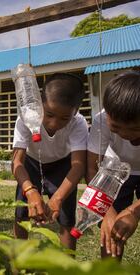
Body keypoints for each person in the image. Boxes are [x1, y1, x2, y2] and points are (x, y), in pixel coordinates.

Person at [12, 73, 88, 250]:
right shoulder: (25, 118)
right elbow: (17, 163)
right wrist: (30, 191)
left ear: (75, 112)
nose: (53, 124)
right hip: (29, 164)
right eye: (49, 114)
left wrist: (58, 198)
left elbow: (78, 166)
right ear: (40, 103)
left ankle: (66, 265)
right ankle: (19, 262)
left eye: (64, 119)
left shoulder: (78, 124)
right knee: (21, 215)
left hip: (63, 167)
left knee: (67, 219)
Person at [86, 70, 140, 259]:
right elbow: (91, 168)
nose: (124, 134)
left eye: (134, 129)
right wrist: (106, 211)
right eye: (116, 128)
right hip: (115, 169)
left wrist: (134, 212)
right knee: (111, 231)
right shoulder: (100, 120)